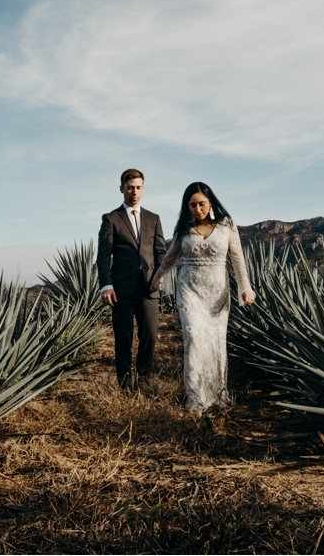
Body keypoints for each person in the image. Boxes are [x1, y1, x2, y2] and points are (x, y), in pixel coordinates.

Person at [150, 182, 255, 413]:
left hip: (218, 295)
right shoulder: (184, 230)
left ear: (210, 203)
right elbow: (170, 257)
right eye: (192, 205)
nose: (198, 209)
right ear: (187, 207)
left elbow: (238, 260)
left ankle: (217, 395)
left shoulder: (227, 225)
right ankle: (195, 398)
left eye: (201, 204)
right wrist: (158, 277)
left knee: (216, 343)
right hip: (189, 291)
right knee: (195, 338)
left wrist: (245, 288)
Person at [97, 168, 167, 388]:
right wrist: (106, 285)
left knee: (149, 338)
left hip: (149, 288)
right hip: (121, 290)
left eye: (138, 188)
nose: (134, 192)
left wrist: (159, 275)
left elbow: (161, 252)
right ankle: (126, 386)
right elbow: (103, 256)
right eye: (129, 188)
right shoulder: (111, 219)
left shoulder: (154, 219)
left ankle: (144, 383)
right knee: (123, 340)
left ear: (143, 188)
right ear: (121, 189)